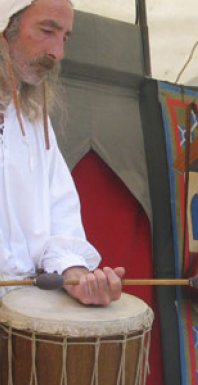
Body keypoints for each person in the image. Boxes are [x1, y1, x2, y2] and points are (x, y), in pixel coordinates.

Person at [0, 0, 125, 305]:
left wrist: (75, 271)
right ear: (5, 28)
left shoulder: (35, 120)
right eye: (47, 31)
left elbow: (60, 215)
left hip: (22, 313)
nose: (57, 53)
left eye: (64, 37)